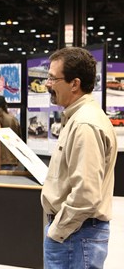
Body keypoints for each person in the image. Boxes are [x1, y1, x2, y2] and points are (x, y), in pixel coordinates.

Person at [41, 47, 117, 269]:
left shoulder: (84, 124)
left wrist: (57, 231)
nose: (47, 84)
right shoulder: (77, 118)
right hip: (75, 234)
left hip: (74, 235)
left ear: (74, 84)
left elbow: (85, 194)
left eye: (53, 78)